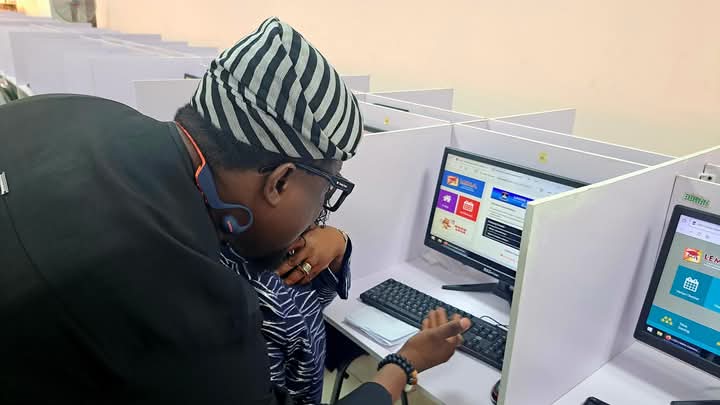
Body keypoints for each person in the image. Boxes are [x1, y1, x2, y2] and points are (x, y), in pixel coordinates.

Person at [0, 17, 470, 404]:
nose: (316, 220)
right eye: (323, 195)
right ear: (281, 181)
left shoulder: (68, 111)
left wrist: (339, 243)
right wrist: (402, 365)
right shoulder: (200, 314)